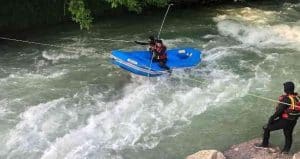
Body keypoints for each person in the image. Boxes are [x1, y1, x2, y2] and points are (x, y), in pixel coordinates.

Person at [255, 81, 300, 154]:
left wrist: (271, 119)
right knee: (288, 135)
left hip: (285, 121)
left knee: (266, 128)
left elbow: (279, 112)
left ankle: (264, 145)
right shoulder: (298, 98)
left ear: (285, 90)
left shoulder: (286, 99)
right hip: (293, 121)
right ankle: (286, 151)